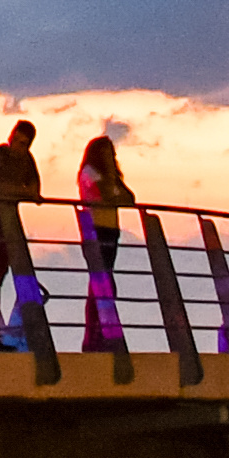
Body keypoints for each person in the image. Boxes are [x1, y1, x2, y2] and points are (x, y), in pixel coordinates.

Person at [0, 117, 49, 346]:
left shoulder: (27, 160)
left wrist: (10, 191)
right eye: (15, 140)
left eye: (23, 143)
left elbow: (36, 193)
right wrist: (17, 191)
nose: (17, 146)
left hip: (4, 222)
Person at [75, 132, 134, 352]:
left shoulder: (111, 177)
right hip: (96, 230)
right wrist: (113, 192)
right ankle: (93, 335)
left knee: (106, 281)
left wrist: (114, 191)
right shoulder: (91, 172)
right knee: (99, 283)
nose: (112, 156)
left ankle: (101, 332)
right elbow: (107, 196)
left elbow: (129, 197)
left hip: (111, 230)